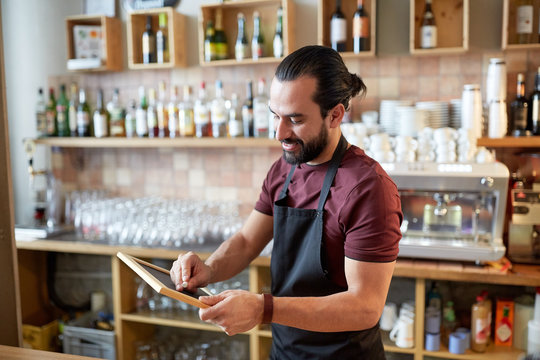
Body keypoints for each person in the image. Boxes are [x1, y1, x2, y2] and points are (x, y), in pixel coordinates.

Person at [170, 45, 402, 359]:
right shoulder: (285, 168)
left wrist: (264, 308)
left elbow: (364, 307)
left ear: (335, 115)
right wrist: (208, 269)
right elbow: (246, 241)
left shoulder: (367, 187)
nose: (280, 132)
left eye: (294, 119)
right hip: (286, 351)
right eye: (276, 116)